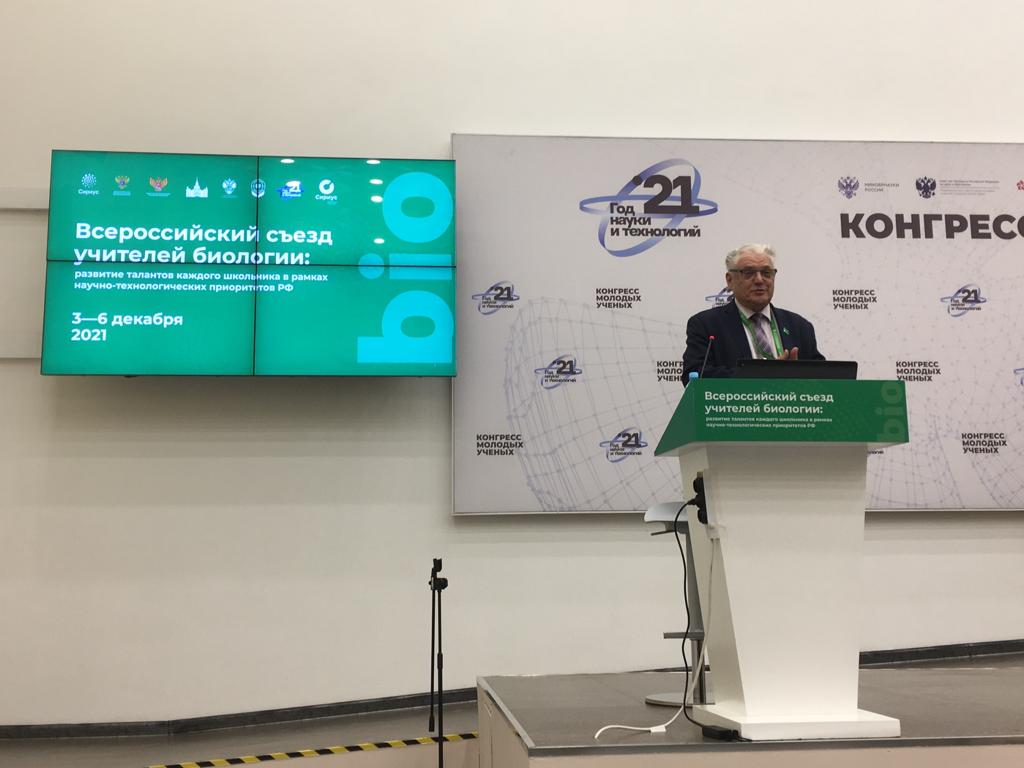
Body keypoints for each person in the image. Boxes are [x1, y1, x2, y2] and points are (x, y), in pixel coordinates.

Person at [682, 243, 825, 380]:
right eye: (749, 273)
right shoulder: (706, 325)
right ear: (730, 280)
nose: (759, 280)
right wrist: (763, 375)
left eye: (766, 273)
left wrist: (797, 372)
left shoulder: (799, 326)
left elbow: (825, 377)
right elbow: (694, 374)